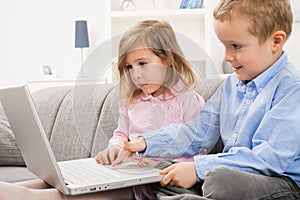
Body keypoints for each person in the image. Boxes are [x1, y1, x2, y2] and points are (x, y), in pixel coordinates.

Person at [0, 19, 205, 200]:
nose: (136, 74)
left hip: (151, 182)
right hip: (125, 172)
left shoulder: (188, 100)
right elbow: (121, 134)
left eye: (142, 63)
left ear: (167, 59)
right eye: (129, 67)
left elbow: (197, 148)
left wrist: (159, 163)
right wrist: (115, 148)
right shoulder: (132, 101)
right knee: (55, 182)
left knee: (55, 195)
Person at [123, 0, 300, 199]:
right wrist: (146, 143)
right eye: (224, 46)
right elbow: (196, 132)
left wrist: (198, 169)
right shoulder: (230, 85)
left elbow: (269, 159)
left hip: (280, 182)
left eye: (235, 46)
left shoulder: (292, 87)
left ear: (275, 41)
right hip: (229, 174)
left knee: (220, 181)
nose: (227, 56)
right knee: (159, 171)